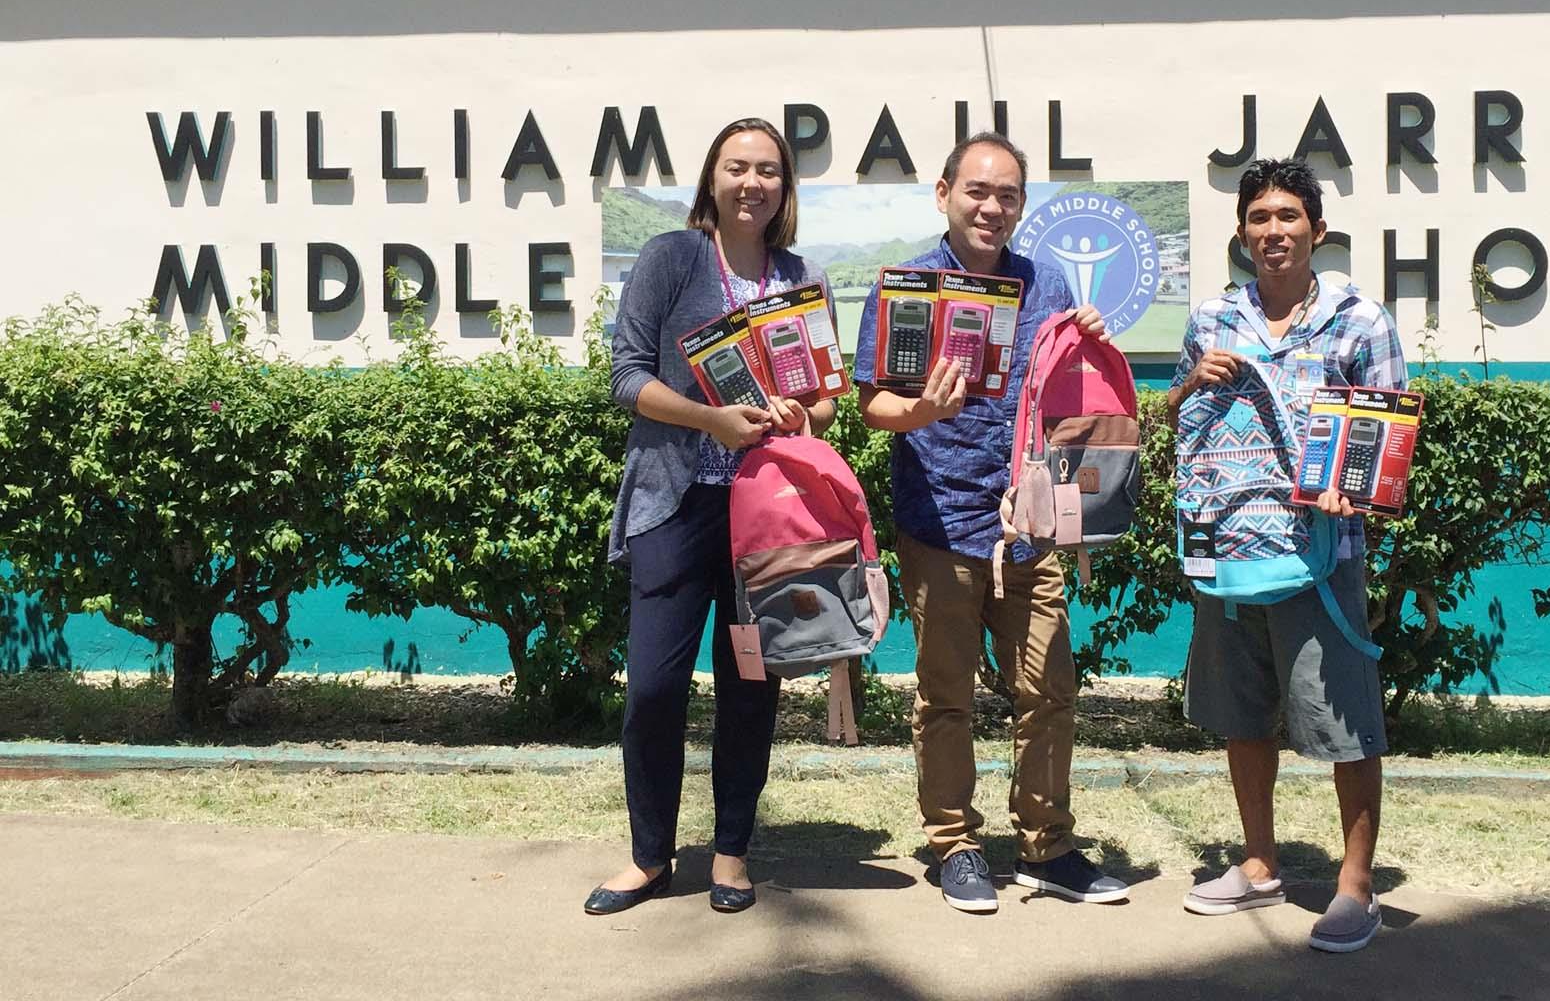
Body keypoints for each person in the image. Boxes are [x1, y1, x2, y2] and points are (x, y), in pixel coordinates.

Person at [855, 132, 1129, 915]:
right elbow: (872, 404)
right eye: (978, 191)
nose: (992, 207)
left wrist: (1089, 337)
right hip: (939, 519)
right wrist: (922, 410)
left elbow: (1067, 389)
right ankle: (954, 846)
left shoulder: (1042, 285)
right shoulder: (908, 287)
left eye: (1008, 194)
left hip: (1027, 522)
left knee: (1048, 686)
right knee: (945, 695)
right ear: (944, 193)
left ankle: (1047, 847)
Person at [589, 118, 836, 917]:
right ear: (712, 179)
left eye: (769, 170)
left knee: (750, 684)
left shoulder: (803, 277)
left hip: (767, 512)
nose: (753, 183)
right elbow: (626, 377)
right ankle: (649, 857)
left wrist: (806, 415)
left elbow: (828, 397)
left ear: (784, 188)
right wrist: (713, 419)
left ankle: (731, 853)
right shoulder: (670, 258)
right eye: (738, 168)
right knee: (654, 690)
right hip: (677, 501)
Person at [1168, 157, 1406, 953]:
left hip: (1320, 556)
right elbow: (1177, 414)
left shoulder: (1360, 320)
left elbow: (1387, 440)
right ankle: (1261, 864)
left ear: (1318, 230)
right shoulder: (1211, 318)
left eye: (1288, 217)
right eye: (1260, 218)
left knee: (1346, 726)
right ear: (1241, 232)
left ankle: (1355, 886)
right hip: (1227, 549)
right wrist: (1188, 381)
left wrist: (1357, 494)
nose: (1274, 231)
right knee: (1242, 719)